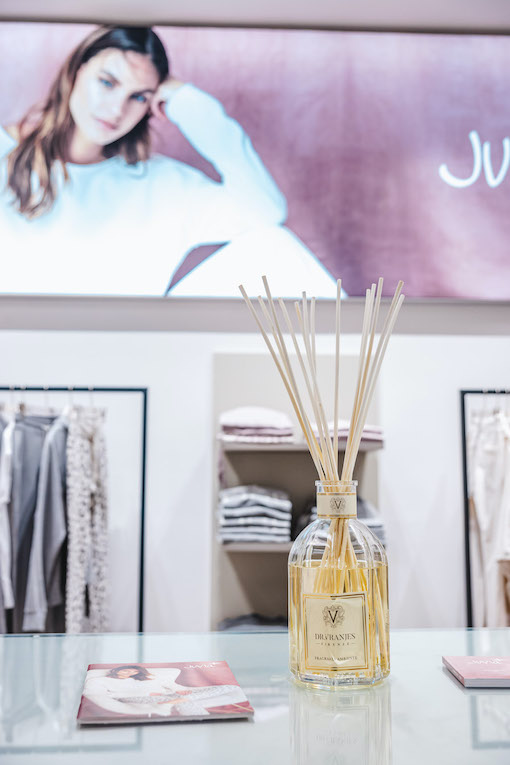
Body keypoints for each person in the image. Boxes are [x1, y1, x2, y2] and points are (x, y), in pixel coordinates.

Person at [0, 25, 336, 297]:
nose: (116, 109)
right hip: (17, 347)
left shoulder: (160, 183)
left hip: (128, 350)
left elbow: (266, 211)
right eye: (107, 82)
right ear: (77, 70)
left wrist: (189, 104)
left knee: (274, 247)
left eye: (138, 97)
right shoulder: (5, 153)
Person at [83, 664, 247, 717]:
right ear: (117, 670)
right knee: (181, 703)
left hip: (169, 695)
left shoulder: (143, 679)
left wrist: (180, 691)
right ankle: (183, 705)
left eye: (133, 671)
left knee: (231, 688)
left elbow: (171, 686)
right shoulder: (100, 680)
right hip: (139, 699)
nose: (129, 672)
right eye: (127, 670)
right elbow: (98, 695)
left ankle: (180, 701)